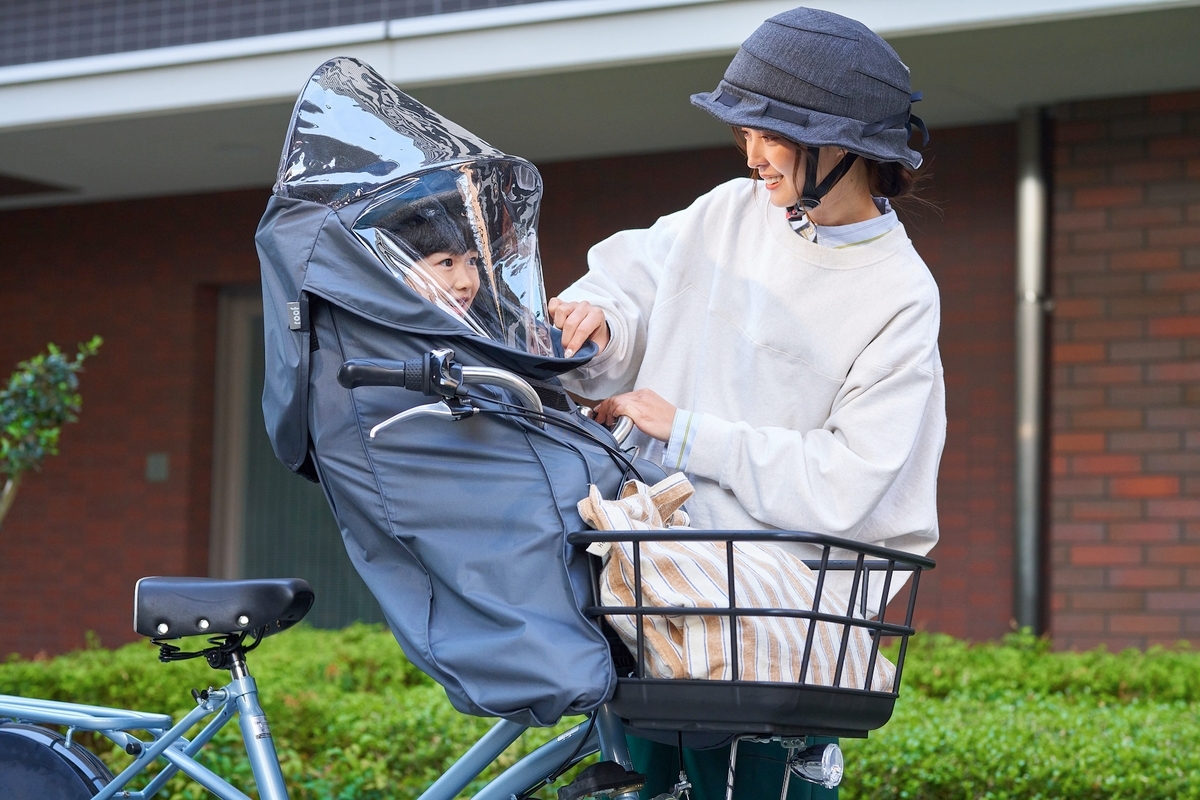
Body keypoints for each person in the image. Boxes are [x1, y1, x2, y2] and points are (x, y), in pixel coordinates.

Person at [547, 7, 945, 799]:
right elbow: (629, 283)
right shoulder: (725, 213)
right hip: (656, 591)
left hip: (772, 631)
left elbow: (846, 480)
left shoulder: (899, 294)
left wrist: (685, 429)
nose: (753, 156)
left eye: (772, 135)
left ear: (843, 145)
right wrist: (596, 319)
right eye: (746, 134)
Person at [387, 200, 481, 317]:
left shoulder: (493, 329)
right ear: (400, 267)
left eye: (471, 261)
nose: (467, 282)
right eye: (447, 263)